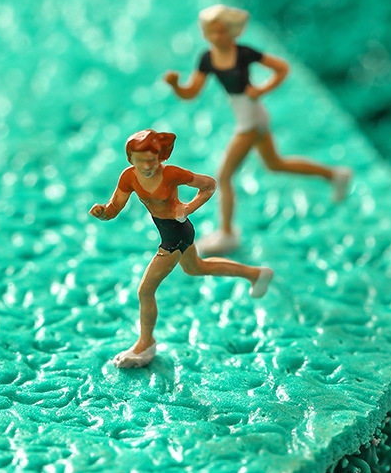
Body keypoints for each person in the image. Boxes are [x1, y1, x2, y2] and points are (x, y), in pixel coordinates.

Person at [164, 4, 351, 253]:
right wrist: (176, 85)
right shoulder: (207, 58)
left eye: (222, 31)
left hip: (251, 118)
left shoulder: (243, 53)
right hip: (246, 114)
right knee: (276, 164)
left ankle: (227, 234)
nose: (217, 37)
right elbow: (191, 92)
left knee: (224, 175)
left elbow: (282, 68)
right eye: (212, 32)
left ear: (232, 31)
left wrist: (262, 89)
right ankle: (335, 175)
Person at [89, 128, 273, 368]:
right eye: (141, 160)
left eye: (152, 160)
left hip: (176, 233)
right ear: (131, 159)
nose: (147, 166)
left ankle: (145, 343)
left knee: (145, 290)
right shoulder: (128, 177)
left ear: (160, 157)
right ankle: (256, 274)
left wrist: (188, 208)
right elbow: (114, 208)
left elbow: (209, 185)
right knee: (197, 268)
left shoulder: (171, 174)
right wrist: (102, 213)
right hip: (169, 231)